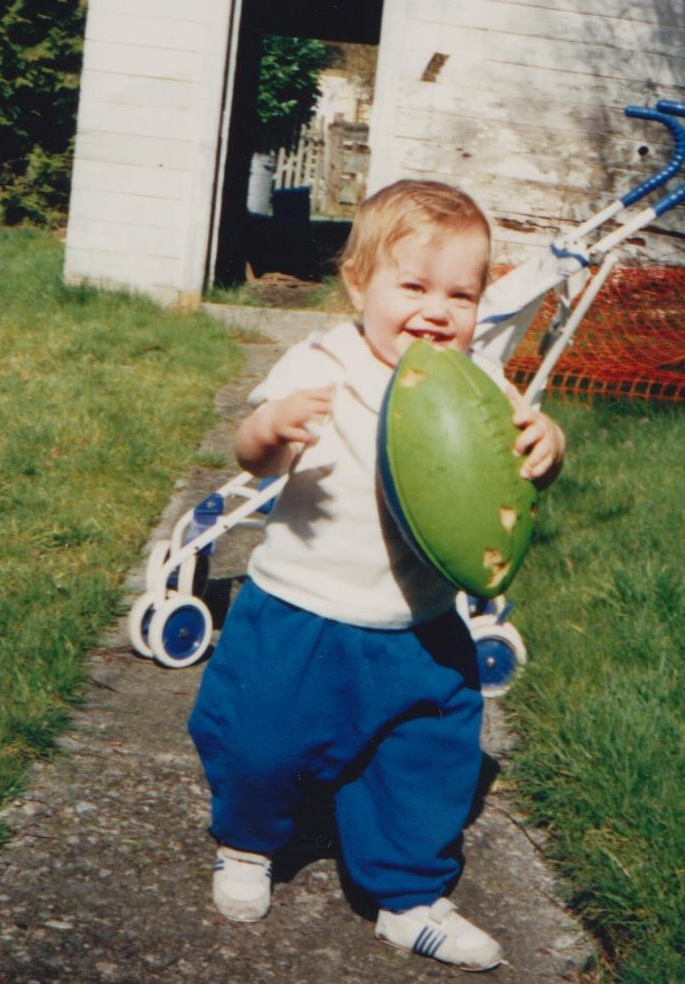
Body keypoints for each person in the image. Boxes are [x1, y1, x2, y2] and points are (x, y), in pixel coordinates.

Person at [187, 179, 565, 972]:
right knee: (260, 743)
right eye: (414, 286)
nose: (438, 310)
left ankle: (410, 897)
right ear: (360, 283)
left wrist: (545, 446)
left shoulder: (475, 382)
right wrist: (271, 428)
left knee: (427, 760)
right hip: (302, 612)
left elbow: (510, 470)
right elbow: (251, 453)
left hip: (420, 625)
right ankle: (248, 844)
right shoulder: (322, 358)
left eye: (461, 294)